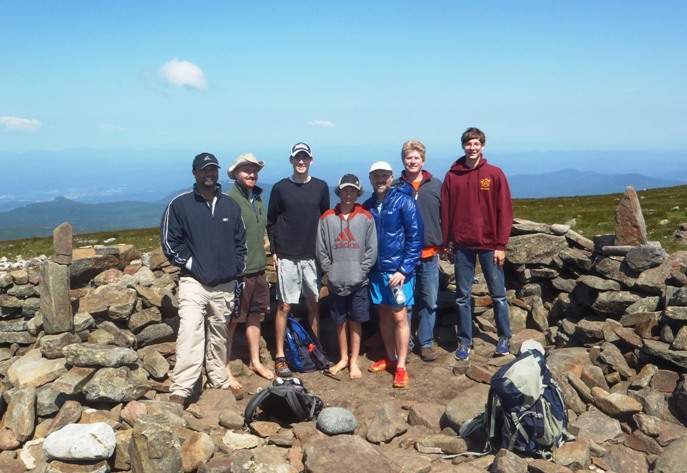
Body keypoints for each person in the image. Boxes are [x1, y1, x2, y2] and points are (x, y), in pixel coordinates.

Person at [161, 152, 247, 407]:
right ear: (195, 174)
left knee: (219, 335)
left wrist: (236, 267)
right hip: (193, 282)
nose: (209, 174)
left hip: (225, 283)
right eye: (204, 170)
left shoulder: (230, 205)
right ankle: (182, 389)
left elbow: (240, 241)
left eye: (213, 170)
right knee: (189, 331)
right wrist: (192, 264)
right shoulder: (181, 204)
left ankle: (218, 381)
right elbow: (169, 242)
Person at [440, 127, 513, 361]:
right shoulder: (453, 176)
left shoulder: (494, 174)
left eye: (476, 144)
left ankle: (504, 338)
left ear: (483, 146)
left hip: (490, 244)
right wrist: (445, 242)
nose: (472, 148)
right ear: (463, 146)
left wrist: (501, 245)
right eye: (468, 144)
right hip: (462, 245)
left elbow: (505, 211)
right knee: (462, 296)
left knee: (498, 295)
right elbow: (446, 211)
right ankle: (464, 341)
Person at [267, 142, 330, 377]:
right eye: (297, 158)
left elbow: (325, 219)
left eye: (305, 157)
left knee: (314, 303)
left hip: (312, 256)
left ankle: (316, 349)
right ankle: (280, 356)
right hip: (287, 255)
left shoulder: (321, 187)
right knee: (284, 306)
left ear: (311, 160)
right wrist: (274, 250)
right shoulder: (280, 188)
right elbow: (272, 220)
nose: (301, 161)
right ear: (291, 160)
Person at [364, 161, 423, 388]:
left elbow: (415, 237)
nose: (380, 179)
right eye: (376, 175)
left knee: (399, 316)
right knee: (384, 314)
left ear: (391, 177)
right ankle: (390, 357)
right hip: (377, 271)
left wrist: (404, 269)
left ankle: (401, 366)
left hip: (397, 272)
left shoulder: (404, 202)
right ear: (371, 178)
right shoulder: (368, 205)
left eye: (384, 175)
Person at [316, 174, 377, 380]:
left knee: (356, 320)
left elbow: (371, 249)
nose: (348, 194)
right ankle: (343, 357)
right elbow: (321, 248)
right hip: (336, 281)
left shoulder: (365, 218)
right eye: (345, 190)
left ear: (358, 193)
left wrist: (362, 271)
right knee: (339, 321)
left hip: (358, 281)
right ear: (339, 192)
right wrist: (329, 271)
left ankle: (354, 360)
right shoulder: (327, 218)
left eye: (352, 191)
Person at [225, 153, 275, 387]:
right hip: (239, 272)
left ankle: (255, 361)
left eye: (254, 170)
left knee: (255, 315)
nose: (251, 174)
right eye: (246, 170)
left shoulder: (258, 198)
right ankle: (224, 367)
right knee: (233, 319)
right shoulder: (230, 200)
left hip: (258, 269)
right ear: (236, 173)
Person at [395, 140, 443, 362]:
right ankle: (408, 342)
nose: (412, 161)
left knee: (429, 300)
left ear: (423, 160)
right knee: (406, 301)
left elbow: (445, 215)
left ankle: (425, 343)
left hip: (430, 253)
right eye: (408, 158)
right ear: (403, 160)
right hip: (404, 256)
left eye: (416, 158)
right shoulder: (395, 187)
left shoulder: (435, 185)